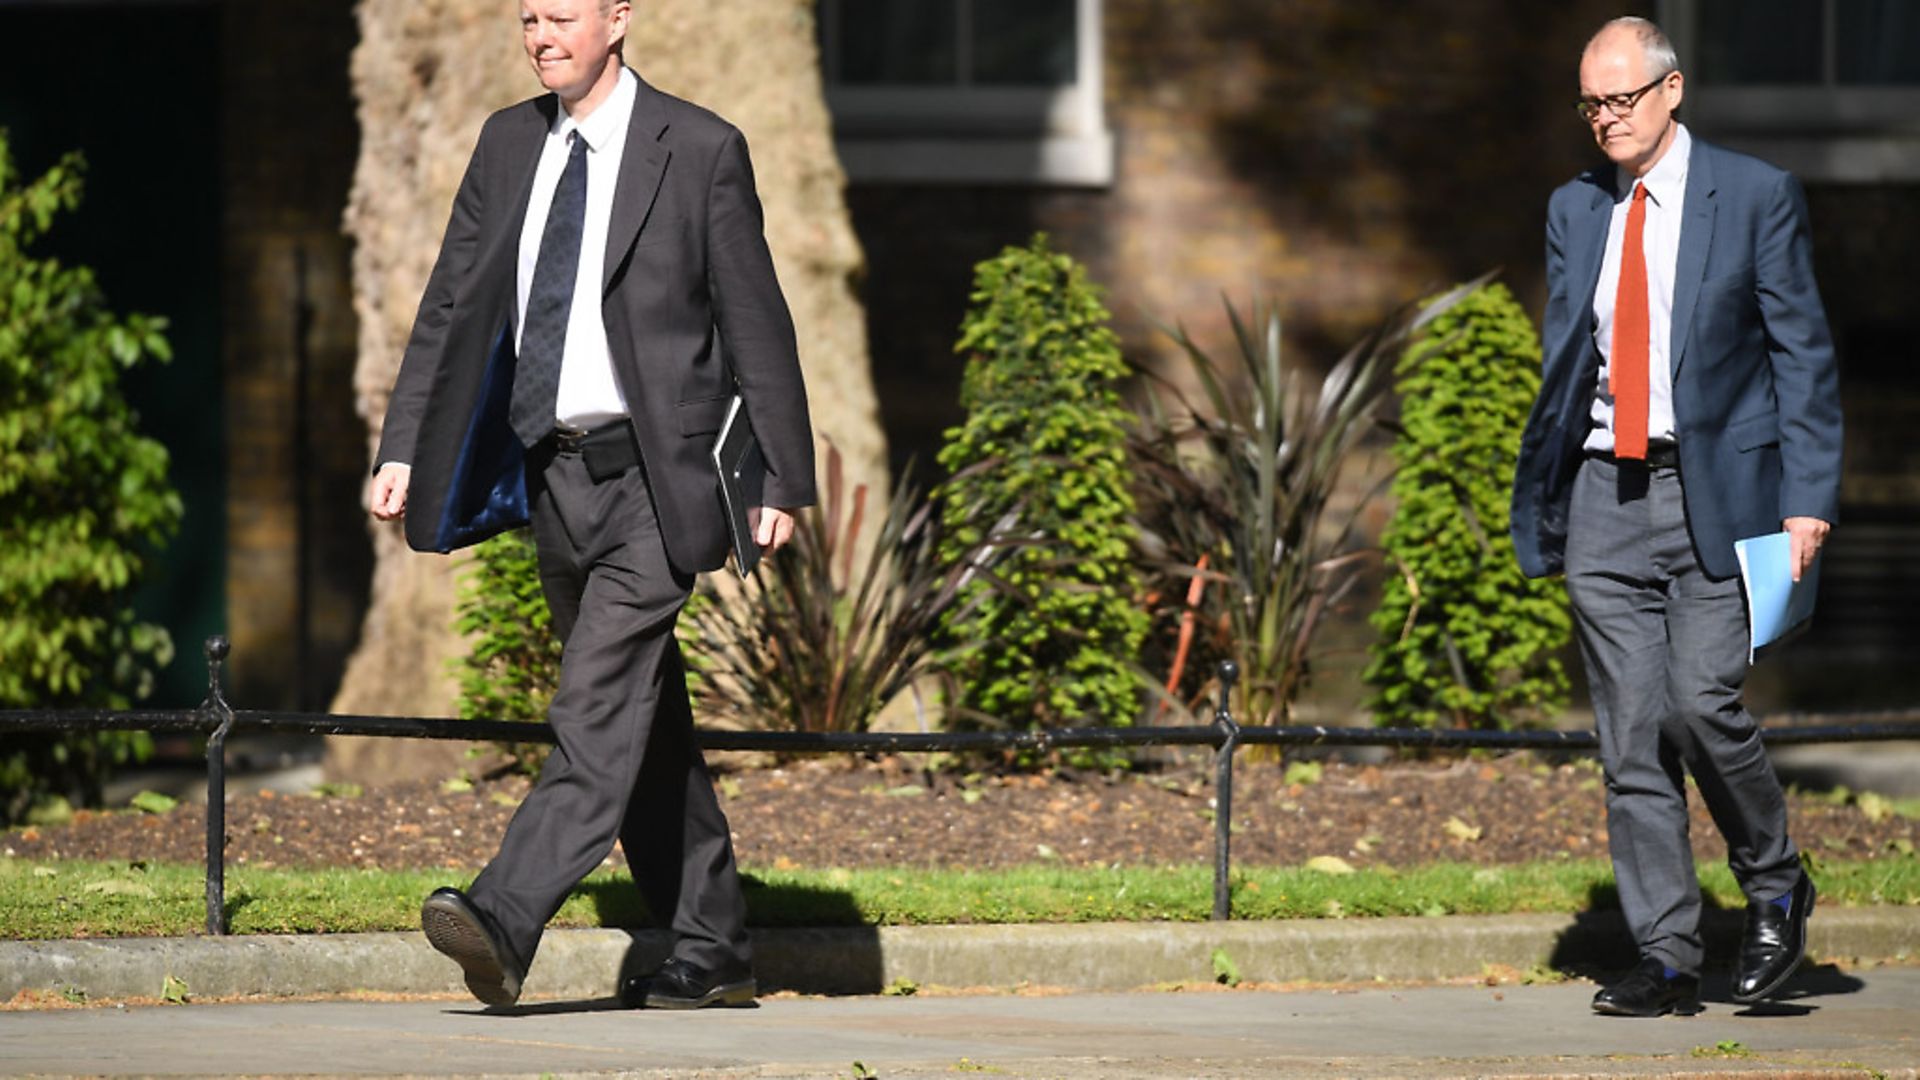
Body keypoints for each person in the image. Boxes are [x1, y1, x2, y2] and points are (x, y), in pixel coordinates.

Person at [367, 0, 815, 1010]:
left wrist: (783, 475)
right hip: (554, 475)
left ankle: (504, 917)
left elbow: (756, 318)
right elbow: (450, 304)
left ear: (619, 17)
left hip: (661, 479)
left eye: (561, 14)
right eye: (527, 17)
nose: (539, 33)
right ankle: (714, 949)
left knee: (596, 703)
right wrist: (403, 443)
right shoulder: (507, 143)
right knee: (641, 726)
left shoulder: (699, 149)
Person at [1511, 16, 1841, 1018]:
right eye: (1591, 104)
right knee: (1632, 737)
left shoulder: (1752, 195)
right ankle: (1665, 955)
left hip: (1720, 496)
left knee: (1702, 702)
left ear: (1672, 90)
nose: (1605, 119)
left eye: (1621, 99)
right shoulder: (1575, 208)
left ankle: (1776, 878)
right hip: (1603, 493)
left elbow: (1802, 356)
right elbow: (1572, 352)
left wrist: (1807, 501)